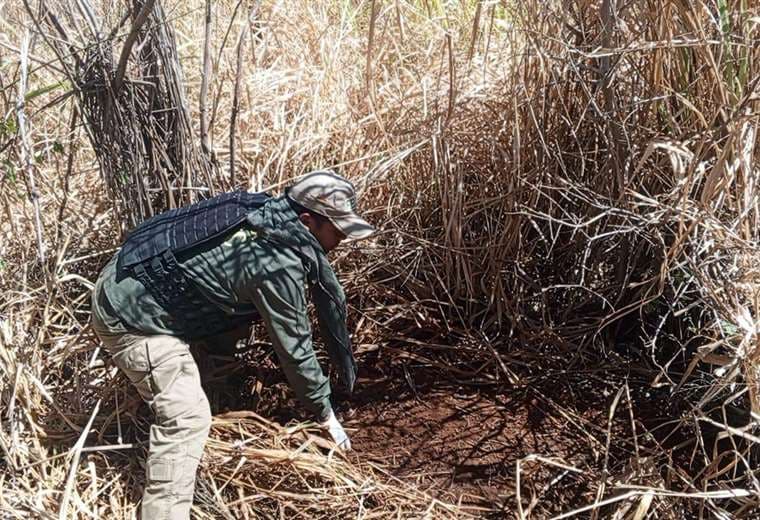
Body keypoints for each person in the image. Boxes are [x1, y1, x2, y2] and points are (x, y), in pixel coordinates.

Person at [90, 170, 374, 519]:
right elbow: (295, 349)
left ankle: (218, 386)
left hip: (130, 278)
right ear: (307, 220)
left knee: (240, 315)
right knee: (187, 418)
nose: (343, 238)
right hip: (130, 319)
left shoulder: (265, 213)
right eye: (338, 230)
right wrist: (324, 414)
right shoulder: (275, 264)